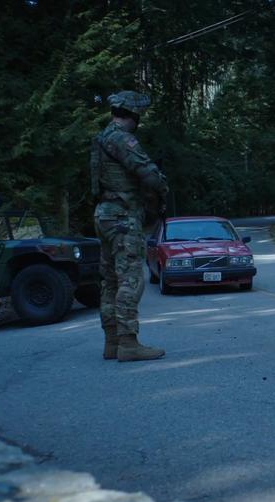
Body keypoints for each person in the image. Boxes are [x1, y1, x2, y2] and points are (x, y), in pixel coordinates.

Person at [91, 90, 168, 362]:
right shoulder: (122, 139)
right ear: (132, 114)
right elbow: (147, 174)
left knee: (110, 280)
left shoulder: (101, 138)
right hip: (123, 217)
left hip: (104, 214)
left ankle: (111, 342)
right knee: (130, 278)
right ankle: (128, 343)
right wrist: (162, 189)